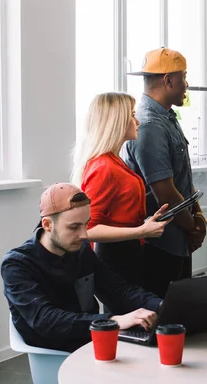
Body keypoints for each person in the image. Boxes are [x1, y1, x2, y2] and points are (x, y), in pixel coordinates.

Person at [1, 183, 162, 352]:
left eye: (86, 224)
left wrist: (162, 307)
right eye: (74, 227)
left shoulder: (80, 250)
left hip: (92, 342)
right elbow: (45, 320)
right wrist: (113, 321)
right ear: (47, 225)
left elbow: (118, 291)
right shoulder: (17, 264)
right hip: (55, 354)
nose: (84, 234)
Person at [123, 47, 207, 298]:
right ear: (168, 80)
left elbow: (183, 179)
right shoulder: (149, 125)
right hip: (160, 245)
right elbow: (165, 193)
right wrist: (193, 227)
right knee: (164, 322)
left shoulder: (167, 117)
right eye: (183, 78)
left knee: (181, 317)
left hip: (179, 238)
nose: (187, 85)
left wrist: (199, 219)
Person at [71, 92, 171, 287]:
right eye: (132, 116)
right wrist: (141, 231)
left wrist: (145, 224)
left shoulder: (114, 161)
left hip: (127, 252)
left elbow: (120, 214)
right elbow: (88, 229)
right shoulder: (104, 167)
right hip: (114, 257)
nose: (138, 122)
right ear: (117, 122)